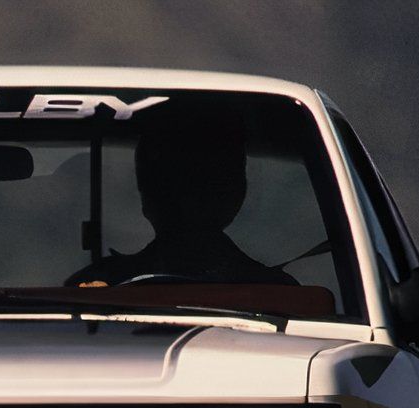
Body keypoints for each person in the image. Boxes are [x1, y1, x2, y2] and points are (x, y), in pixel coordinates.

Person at [68, 107, 297, 288]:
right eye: (169, 179)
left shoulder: (286, 301)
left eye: (207, 178)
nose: (188, 197)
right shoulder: (91, 293)